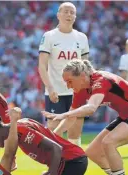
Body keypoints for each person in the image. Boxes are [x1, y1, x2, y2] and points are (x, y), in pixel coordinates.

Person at [38, 2, 89, 146]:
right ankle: (54, 163)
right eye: (66, 11)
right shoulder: (49, 36)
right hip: (56, 90)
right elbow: (42, 65)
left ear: (75, 16)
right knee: (53, 129)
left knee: (75, 129)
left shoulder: (82, 38)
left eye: (72, 12)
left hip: (76, 91)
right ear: (58, 15)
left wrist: (87, 89)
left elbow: (86, 66)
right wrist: (50, 87)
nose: (69, 15)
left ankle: (76, 161)